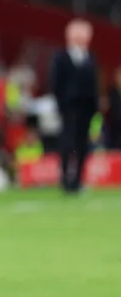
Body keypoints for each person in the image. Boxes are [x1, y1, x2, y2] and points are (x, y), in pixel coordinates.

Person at [49, 19, 100, 193]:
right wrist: (61, 105)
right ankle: (65, 179)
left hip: (86, 109)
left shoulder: (90, 57)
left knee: (82, 145)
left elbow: (94, 84)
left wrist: (95, 107)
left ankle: (78, 179)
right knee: (67, 144)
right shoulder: (60, 57)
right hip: (68, 109)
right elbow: (56, 83)